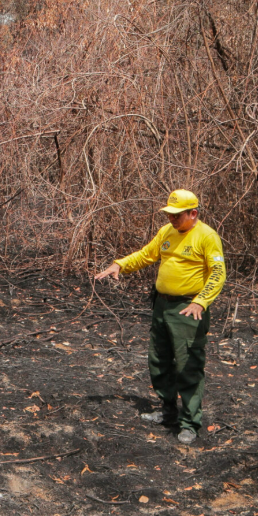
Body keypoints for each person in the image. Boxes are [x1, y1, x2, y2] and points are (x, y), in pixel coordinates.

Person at [94, 189, 226, 445]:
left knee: (188, 365)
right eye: (169, 215)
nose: (172, 219)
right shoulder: (167, 232)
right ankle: (168, 411)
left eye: (177, 215)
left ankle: (189, 423)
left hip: (188, 308)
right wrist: (120, 264)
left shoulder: (206, 236)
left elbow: (218, 273)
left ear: (193, 213)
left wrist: (200, 301)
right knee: (159, 359)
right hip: (162, 306)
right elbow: (147, 254)